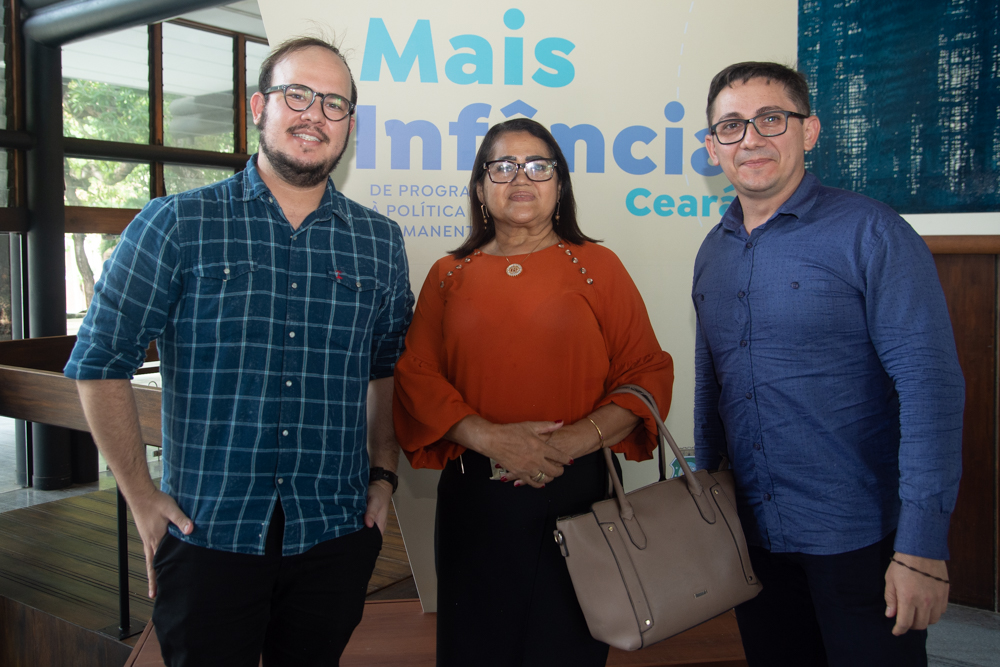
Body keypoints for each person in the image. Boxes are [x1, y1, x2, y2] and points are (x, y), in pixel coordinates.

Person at [64, 36, 414, 666]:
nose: (315, 114)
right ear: (259, 106)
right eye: (297, 95)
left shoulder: (379, 241)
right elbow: (99, 361)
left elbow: (384, 366)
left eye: (334, 103)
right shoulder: (177, 223)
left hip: (332, 535)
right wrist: (141, 497)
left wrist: (383, 473)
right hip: (207, 534)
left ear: (350, 126)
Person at [693, 61, 965, 666]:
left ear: (809, 131)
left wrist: (921, 547)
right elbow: (712, 391)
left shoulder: (874, 234)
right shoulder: (714, 251)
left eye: (771, 119)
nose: (752, 139)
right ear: (713, 148)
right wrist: (709, 516)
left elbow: (931, 389)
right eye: (731, 126)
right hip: (754, 541)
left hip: (861, 541)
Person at [393, 117, 674, 667]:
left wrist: (568, 443)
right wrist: (492, 440)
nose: (520, 177)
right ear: (479, 186)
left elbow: (646, 373)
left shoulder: (598, 266)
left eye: (538, 165)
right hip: (477, 501)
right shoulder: (448, 275)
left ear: (560, 184)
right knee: (475, 649)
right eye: (503, 166)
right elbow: (416, 375)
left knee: (564, 649)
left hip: (577, 498)